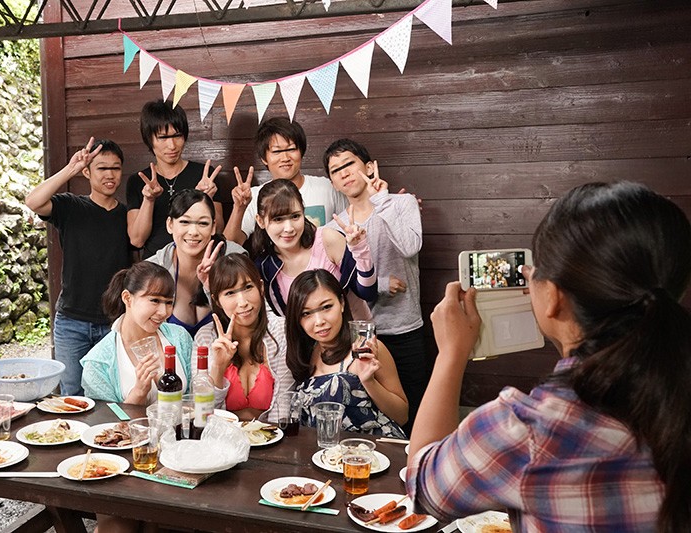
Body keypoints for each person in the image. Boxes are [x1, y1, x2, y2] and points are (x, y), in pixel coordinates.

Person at [406, 181, 691, 532]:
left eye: (537, 268)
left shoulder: (529, 430)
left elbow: (423, 486)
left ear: (554, 296)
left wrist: (451, 353)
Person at [323, 138, 431, 436]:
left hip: (405, 329)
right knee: (373, 418)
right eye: (336, 170)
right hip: (362, 335)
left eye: (349, 164)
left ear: (369, 167)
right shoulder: (335, 227)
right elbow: (342, 283)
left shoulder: (401, 203)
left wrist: (382, 200)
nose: (344, 173)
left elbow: (410, 246)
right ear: (332, 183)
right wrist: (381, 284)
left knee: (414, 415)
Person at [25, 137, 131, 396]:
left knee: (112, 394)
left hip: (115, 322)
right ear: (87, 172)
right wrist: (70, 169)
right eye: (102, 168)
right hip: (72, 321)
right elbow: (33, 201)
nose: (109, 175)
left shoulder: (128, 215)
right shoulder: (70, 206)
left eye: (115, 168)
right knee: (71, 394)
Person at [285, 269, 408, 438]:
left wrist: (369, 382)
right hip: (322, 450)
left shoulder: (367, 348)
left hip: (373, 448)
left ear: (342, 303)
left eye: (327, 307)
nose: (319, 321)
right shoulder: (304, 354)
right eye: (306, 313)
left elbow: (402, 416)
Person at [253, 179, 377, 319]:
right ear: (260, 221)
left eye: (295, 216)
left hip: (353, 330)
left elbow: (368, 293)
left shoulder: (327, 240)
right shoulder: (264, 267)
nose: (289, 228)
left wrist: (360, 249)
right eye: (278, 219)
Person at [194, 254, 293, 421]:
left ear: (261, 287)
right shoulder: (205, 338)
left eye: (248, 287)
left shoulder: (280, 331)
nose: (242, 302)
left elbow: (283, 406)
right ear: (216, 300)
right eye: (230, 293)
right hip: (220, 435)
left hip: (273, 434)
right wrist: (218, 367)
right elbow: (203, 414)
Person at [223, 116, 347, 245]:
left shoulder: (327, 187)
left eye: (291, 149)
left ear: (301, 152)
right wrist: (239, 208)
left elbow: (351, 226)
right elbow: (230, 245)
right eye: (277, 151)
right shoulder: (254, 196)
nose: (285, 158)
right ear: (264, 159)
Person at [80, 261, 192, 404]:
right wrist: (139, 392)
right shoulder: (98, 363)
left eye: (169, 302)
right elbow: (104, 416)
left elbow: (194, 399)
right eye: (155, 300)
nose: (163, 312)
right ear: (127, 298)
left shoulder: (180, 337)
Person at [126, 99, 223, 257]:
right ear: (149, 139)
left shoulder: (204, 175)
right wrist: (149, 200)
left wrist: (207, 198)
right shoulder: (138, 181)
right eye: (163, 137)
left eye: (177, 136)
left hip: (197, 263)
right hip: (155, 266)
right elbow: (137, 240)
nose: (172, 145)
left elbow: (217, 231)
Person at [145, 189, 246, 337]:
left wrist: (213, 288)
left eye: (203, 223)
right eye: (184, 222)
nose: (193, 232)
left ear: (213, 227)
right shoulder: (152, 269)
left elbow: (250, 318)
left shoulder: (233, 258)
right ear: (170, 225)